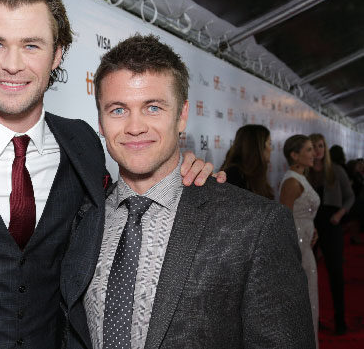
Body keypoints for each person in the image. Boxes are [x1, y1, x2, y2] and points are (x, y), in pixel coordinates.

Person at [0, 0, 217, 349]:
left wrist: (182, 171)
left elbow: (127, 199)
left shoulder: (83, 143)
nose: (12, 65)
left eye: (31, 46)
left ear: (57, 54)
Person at [69, 34, 314, 349]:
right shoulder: (82, 218)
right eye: (118, 110)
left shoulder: (256, 226)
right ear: (100, 121)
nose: (134, 126)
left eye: (153, 107)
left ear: (182, 115)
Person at [308, 134, 354, 334]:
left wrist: (340, 214)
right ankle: (311, 319)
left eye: (321, 146)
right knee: (309, 275)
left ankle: (340, 320)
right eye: (313, 146)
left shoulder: (336, 170)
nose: (318, 150)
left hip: (331, 224)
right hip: (311, 226)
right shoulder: (305, 172)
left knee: (335, 273)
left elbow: (350, 197)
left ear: (325, 148)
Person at [280, 135, 320, 348]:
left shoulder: (301, 177)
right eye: (308, 150)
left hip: (306, 246)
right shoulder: (291, 181)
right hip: (298, 250)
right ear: (294, 155)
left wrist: (313, 230)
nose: (314, 154)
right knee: (304, 304)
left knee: (310, 302)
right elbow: (285, 221)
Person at [220, 124, 274, 199]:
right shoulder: (234, 174)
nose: (271, 149)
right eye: (269, 143)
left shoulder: (254, 174)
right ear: (257, 146)